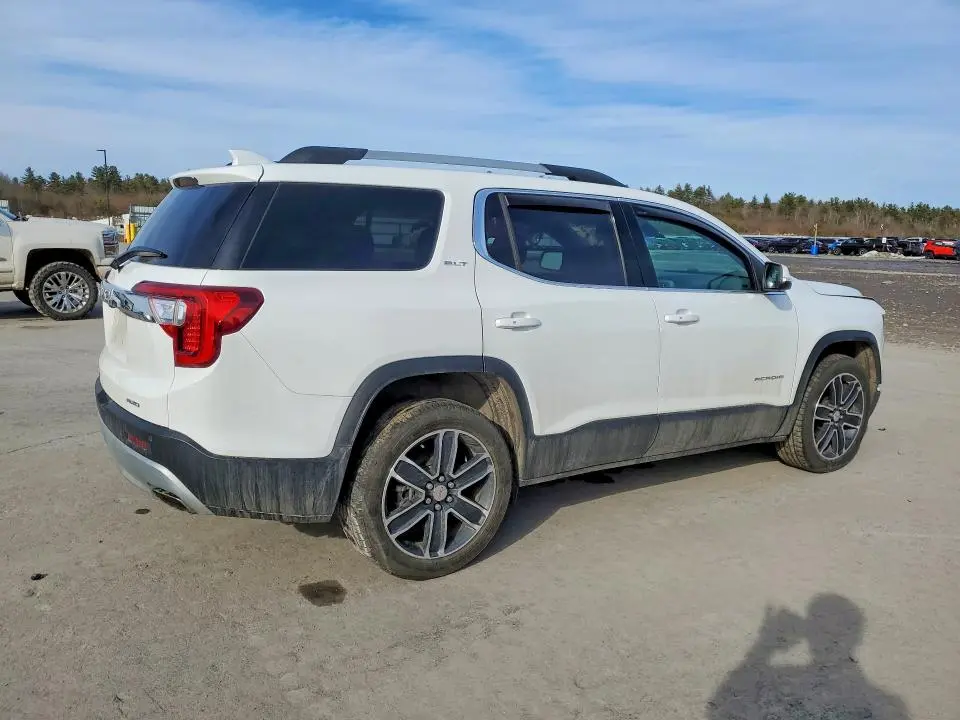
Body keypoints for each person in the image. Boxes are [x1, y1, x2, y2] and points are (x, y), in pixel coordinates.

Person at [708, 594, 909, 719]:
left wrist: (763, 648)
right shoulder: (778, 684)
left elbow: (722, 709)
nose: (831, 639)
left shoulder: (883, 706)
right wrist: (763, 648)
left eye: (839, 630)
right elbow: (722, 710)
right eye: (822, 629)